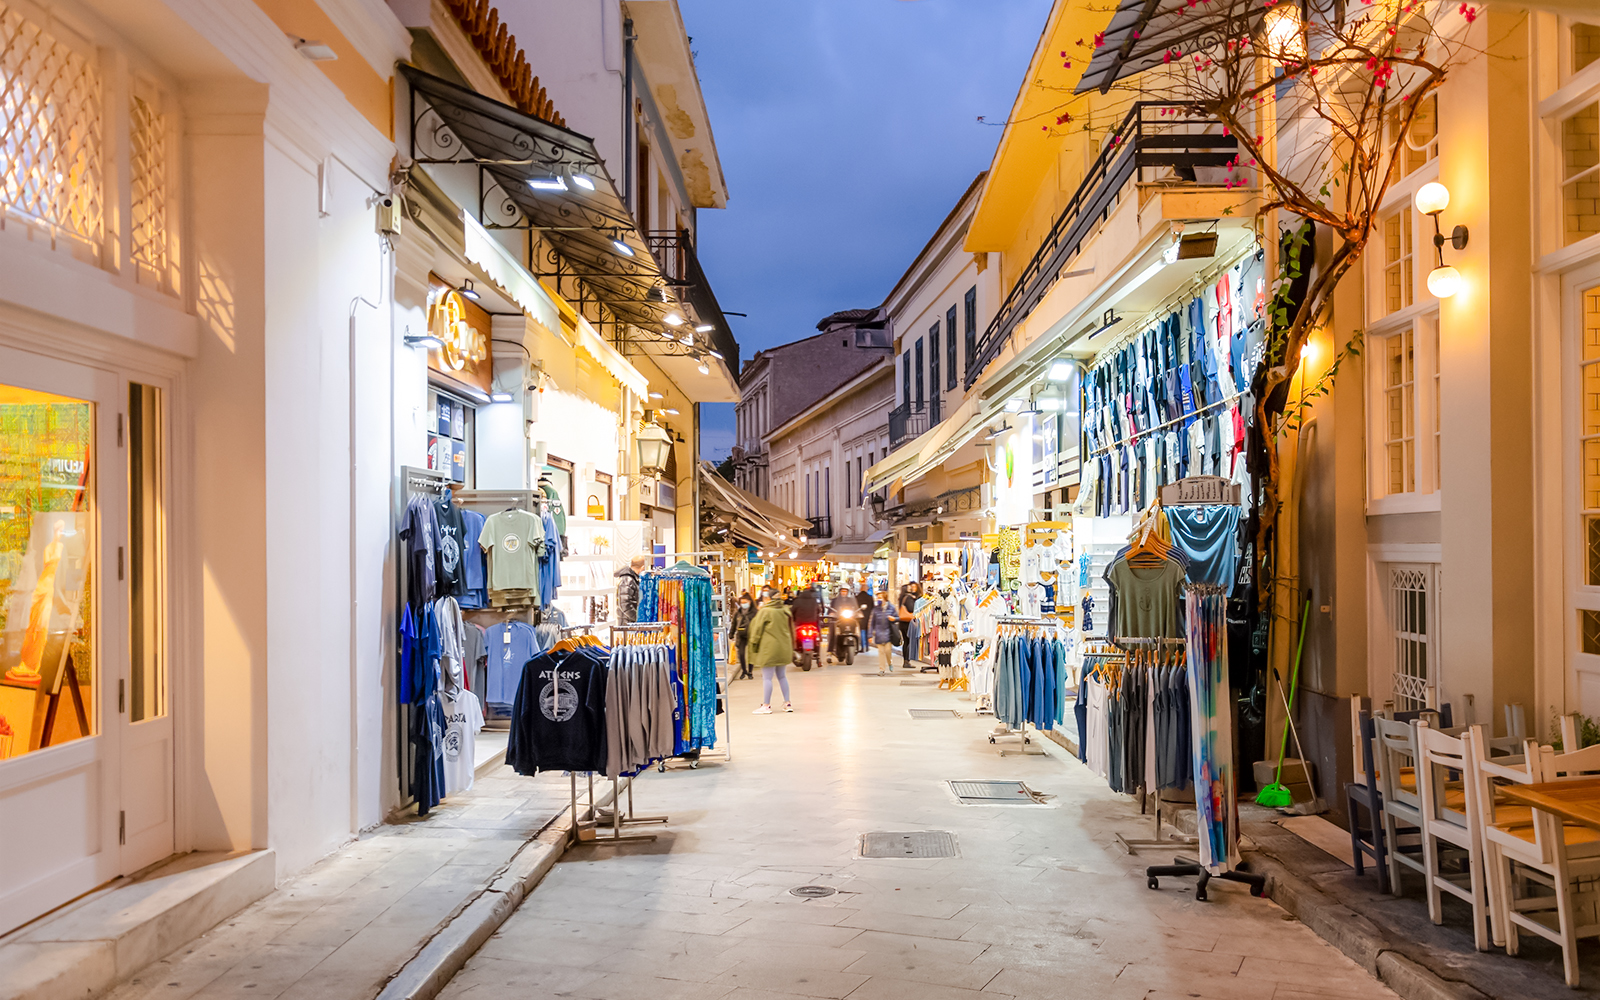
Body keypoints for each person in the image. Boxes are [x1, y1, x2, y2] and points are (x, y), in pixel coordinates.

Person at [746, 595, 794, 714]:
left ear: (768, 599)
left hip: (769, 648)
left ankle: (766, 705)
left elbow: (757, 630)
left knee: (767, 677)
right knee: (782, 676)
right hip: (783, 647)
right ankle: (787, 703)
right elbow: (791, 629)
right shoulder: (785, 610)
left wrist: (753, 643)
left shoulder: (765, 611)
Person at [729, 591, 757, 680]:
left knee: (751, 654)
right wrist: (731, 633)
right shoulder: (738, 612)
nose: (744, 604)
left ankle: (750, 671)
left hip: (751, 635)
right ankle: (744, 670)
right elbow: (734, 623)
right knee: (741, 654)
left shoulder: (754, 612)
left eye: (746, 602)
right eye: (742, 603)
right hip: (741, 635)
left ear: (750, 602)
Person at [868, 595, 897, 676]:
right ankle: (882, 669)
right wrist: (870, 635)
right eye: (878, 598)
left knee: (888, 651)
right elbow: (871, 623)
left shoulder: (891, 608)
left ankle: (890, 663)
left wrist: (894, 619)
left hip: (889, 634)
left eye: (880, 598)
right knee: (881, 652)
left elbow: (897, 617)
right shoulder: (875, 610)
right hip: (879, 634)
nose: (879, 599)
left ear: (885, 598)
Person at [897, 581, 922, 671]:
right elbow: (911, 609)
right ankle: (906, 661)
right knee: (908, 642)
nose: (912, 589)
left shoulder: (903, 597)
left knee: (906, 642)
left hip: (903, 623)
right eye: (912, 587)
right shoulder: (909, 598)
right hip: (907, 623)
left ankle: (906, 660)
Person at [615, 555, 646, 624]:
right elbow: (625, 604)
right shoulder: (627, 580)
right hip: (628, 624)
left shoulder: (632, 579)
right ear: (642, 568)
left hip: (629, 623)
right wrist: (637, 619)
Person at [828, 587, 857, 662]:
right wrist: (831, 613)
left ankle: (857, 645)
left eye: (845, 591)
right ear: (840, 591)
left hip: (848, 620)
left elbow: (856, 608)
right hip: (838, 620)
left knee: (855, 626)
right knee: (833, 632)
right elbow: (830, 609)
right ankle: (830, 652)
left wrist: (858, 613)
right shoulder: (835, 600)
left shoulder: (851, 600)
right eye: (842, 591)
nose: (844, 592)